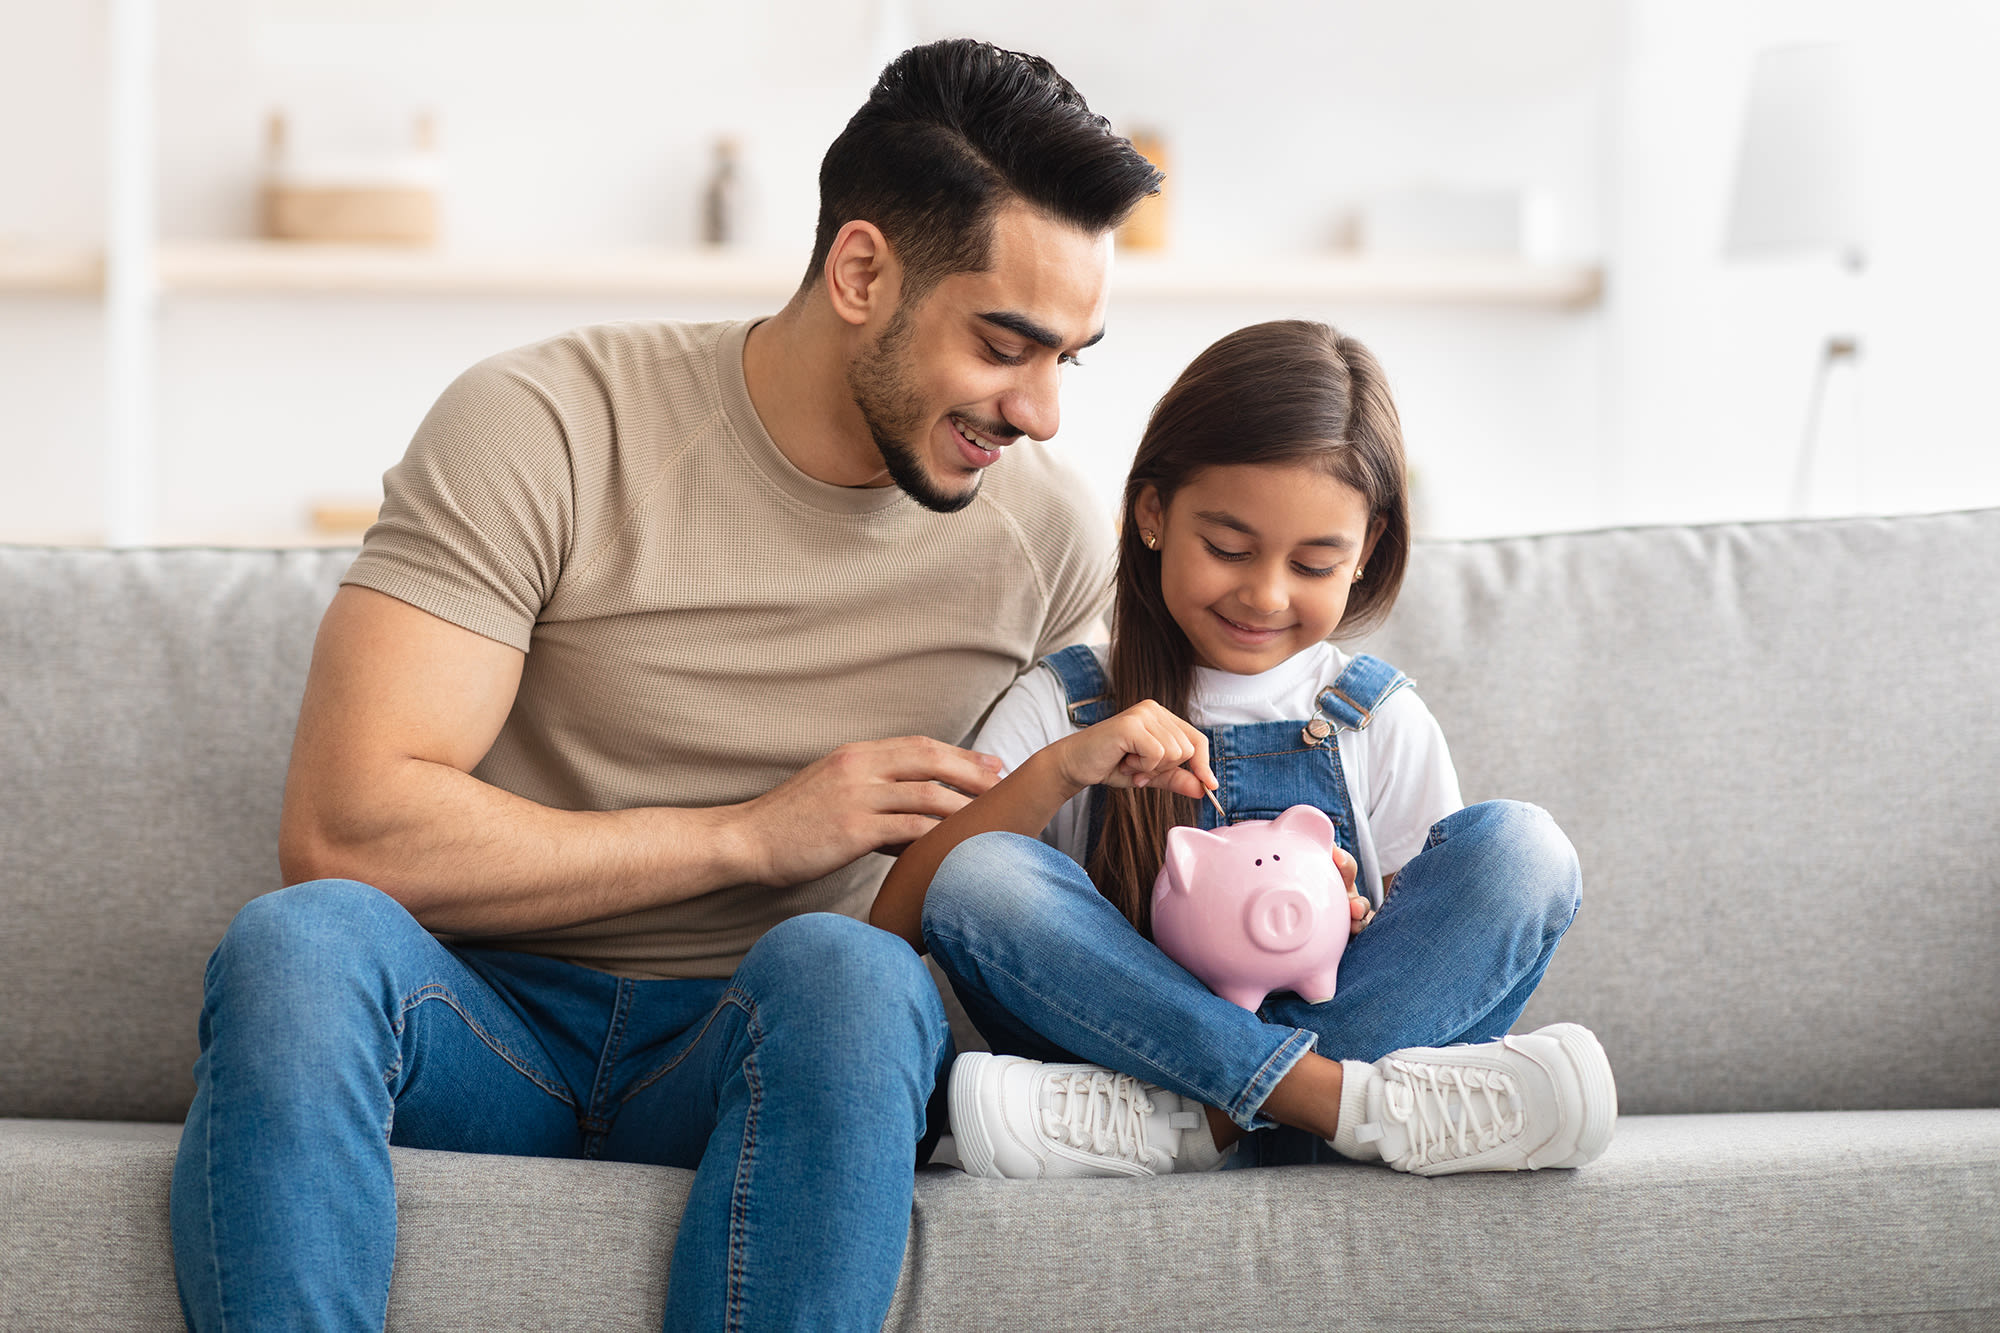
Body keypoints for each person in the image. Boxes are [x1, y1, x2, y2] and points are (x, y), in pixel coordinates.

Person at [169, 40, 1161, 1333]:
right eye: (1003, 345)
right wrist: (753, 834)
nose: (1040, 411)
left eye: (1068, 359)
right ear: (862, 271)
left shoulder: (1048, 539)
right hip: (485, 1021)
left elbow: (1100, 838)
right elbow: (347, 828)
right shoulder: (548, 424)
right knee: (299, 948)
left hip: (764, 1045)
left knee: (858, 978)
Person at [870, 319, 1618, 1181]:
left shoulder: (1376, 716)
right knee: (981, 871)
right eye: (1228, 548)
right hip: (1122, 1051)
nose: (1264, 594)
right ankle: (1342, 1109)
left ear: (1366, 548)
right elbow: (907, 921)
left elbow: (1428, 954)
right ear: (1152, 512)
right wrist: (1063, 767)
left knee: (1524, 851)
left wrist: (1359, 912)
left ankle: (1196, 1124)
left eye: (1313, 563)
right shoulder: (1069, 701)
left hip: (1127, 1102)